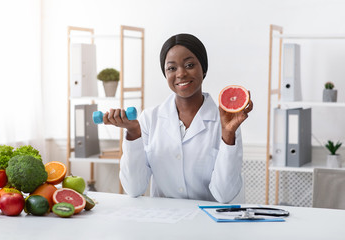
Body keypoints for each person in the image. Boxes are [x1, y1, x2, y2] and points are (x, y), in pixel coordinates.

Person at [102, 33, 253, 203]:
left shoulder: (225, 122)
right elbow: (134, 188)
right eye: (172, 68)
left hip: (210, 222)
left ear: (203, 68)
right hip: (165, 221)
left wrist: (227, 136)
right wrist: (132, 133)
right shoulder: (149, 119)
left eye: (189, 65)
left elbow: (225, 195)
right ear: (165, 74)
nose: (181, 74)